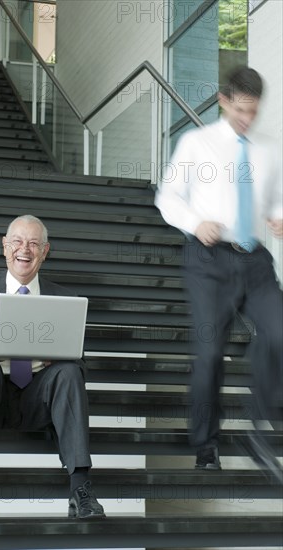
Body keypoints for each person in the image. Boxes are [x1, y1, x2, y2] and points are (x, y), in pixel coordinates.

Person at [155, 66, 283, 479]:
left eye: (254, 111)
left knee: (280, 334)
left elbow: (276, 199)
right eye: (241, 109)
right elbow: (167, 196)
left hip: (255, 259)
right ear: (225, 101)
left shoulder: (269, 149)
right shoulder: (197, 143)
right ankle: (206, 445)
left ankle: (259, 429)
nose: (247, 118)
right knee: (210, 354)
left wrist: (279, 216)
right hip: (208, 260)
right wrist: (195, 223)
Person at [0, 214, 105, 519]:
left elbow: (80, 364)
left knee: (69, 370)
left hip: (36, 399)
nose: (24, 249)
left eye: (34, 243)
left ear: (45, 251)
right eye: (17, 241)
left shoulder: (64, 298)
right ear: (5, 246)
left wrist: (60, 358)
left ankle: (81, 489)